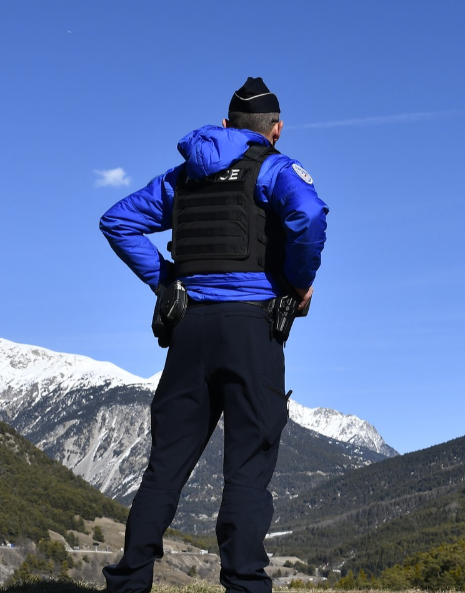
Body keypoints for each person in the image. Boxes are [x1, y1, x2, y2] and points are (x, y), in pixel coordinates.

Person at [98, 77, 328, 593]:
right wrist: (298, 281)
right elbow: (309, 214)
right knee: (247, 473)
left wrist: (167, 284)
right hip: (253, 329)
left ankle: (129, 584)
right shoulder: (274, 168)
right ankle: (245, 586)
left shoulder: (183, 177)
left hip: (191, 332)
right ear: (276, 129)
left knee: (164, 470)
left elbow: (117, 221)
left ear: (225, 126)